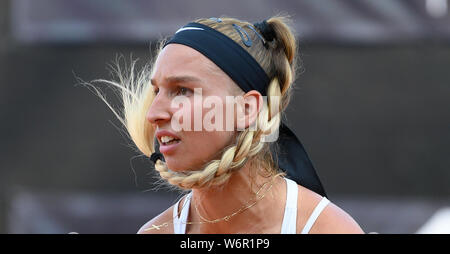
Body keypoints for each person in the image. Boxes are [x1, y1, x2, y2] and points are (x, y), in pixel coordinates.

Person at [90, 15, 364, 234]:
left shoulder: (327, 229)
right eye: (157, 91)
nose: (153, 113)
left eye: (182, 90)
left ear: (247, 109)